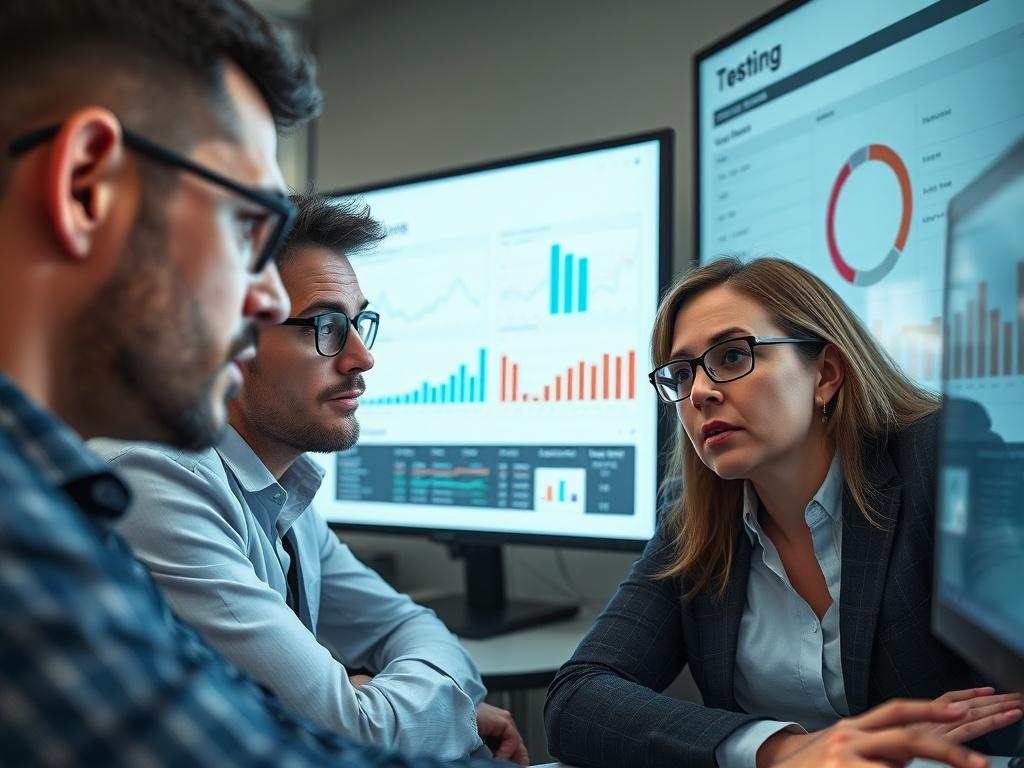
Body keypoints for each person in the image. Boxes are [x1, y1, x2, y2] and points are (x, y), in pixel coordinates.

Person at [0, 2, 494, 765]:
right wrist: (390, 706)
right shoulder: (32, 539)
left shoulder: (52, 495)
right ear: (85, 187)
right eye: (245, 226)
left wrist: (374, 699)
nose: (260, 300)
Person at [91, 193, 529, 764]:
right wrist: (401, 701)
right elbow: (352, 736)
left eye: (358, 322)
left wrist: (379, 694)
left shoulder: (284, 490)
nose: (361, 357)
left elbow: (410, 626)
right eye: (325, 326)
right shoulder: (154, 479)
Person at [544, 257, 1022, 768]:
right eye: (681, 374)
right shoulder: (692, 519)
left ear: (826, 375)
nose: (701, 391)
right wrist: (783, 749)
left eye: (732, 356)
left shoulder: (937, 456)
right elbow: (577, 698)